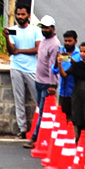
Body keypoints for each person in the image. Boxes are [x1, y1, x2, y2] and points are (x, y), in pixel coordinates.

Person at [6, 5, 43, 138]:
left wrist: (19, 51)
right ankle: (22, 129)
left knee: (38, 99)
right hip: (16, 67)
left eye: (23, 14)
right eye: (18, 14)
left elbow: (37, 49)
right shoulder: (12, 31)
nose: (20, 17)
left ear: (28, 15)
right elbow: (11, 51)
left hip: (32, 69)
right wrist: (6, 38)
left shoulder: (35, 31)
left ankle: (40, 127)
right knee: (19, 99)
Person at [26, 15, 61, 147]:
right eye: (43, 27)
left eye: (47, 28)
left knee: (43, 112)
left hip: (47, 83)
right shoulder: (44, 41)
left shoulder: (55, 44)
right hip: (39, 80)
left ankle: (36, 138)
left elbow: (53, 66)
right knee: (39, 109)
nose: (45, 30)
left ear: (53, 28)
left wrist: (52, 85)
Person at [56, 30, 78, 122]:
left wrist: (70, 59)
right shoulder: (60, 51)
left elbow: (79, 68)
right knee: (62, 118)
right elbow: (54, 70)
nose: (67, 43)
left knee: (73, 118)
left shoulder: (79, 54)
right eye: (65, 41)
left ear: (75, 41)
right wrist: (57, 61)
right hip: (62, 92)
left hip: (74, 92)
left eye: (70, 41)